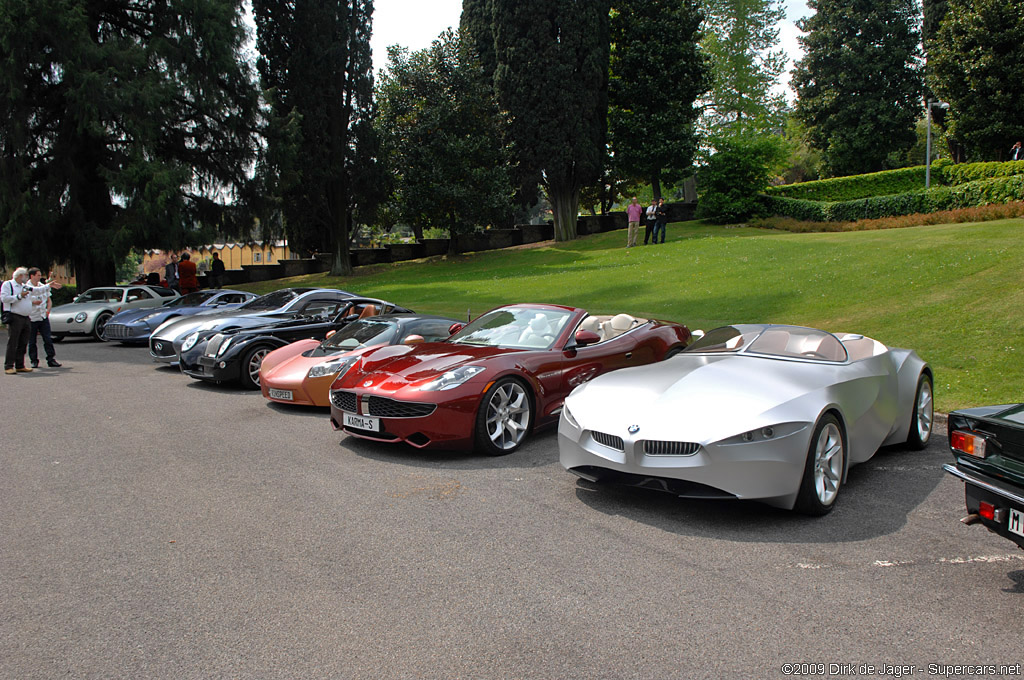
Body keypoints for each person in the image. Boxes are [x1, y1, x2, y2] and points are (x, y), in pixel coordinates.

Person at [2, 266, 62, 374]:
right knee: (13, 342)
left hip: (26, 317)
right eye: (25, 275)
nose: (26, 277)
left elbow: (37, 290)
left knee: (23, 342)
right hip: (15, 316)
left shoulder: (24, 286)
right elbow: (4, 298)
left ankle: (20, 365)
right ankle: (9, 365)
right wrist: (19, 296)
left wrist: (49, 285)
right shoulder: (8, 285)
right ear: (19, 276)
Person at [26, 267, 61, 368]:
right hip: (32, 317)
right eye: (38, 275)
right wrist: (33, 302)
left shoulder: (42, 286)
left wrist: (48, 310)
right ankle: (34, 360)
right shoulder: (26, 287)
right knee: (32, 341)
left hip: (43, 316)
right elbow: (23, 300)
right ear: (32, 276)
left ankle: (51, 359)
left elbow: (49, 300)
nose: (40, 277)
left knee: (48, 339)